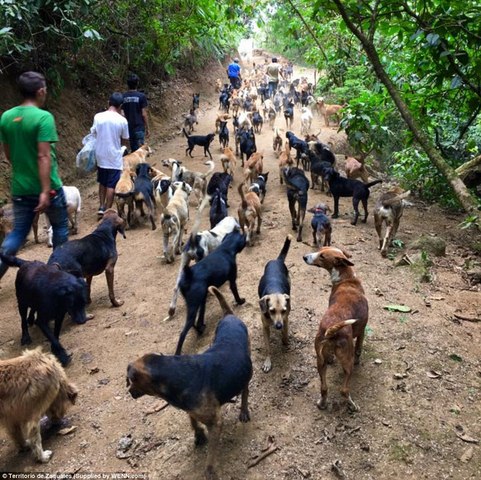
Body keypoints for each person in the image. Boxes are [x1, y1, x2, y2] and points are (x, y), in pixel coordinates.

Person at [0, 71, 69, 279]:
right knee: (60, 228)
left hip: (20, 188)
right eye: (45, 90)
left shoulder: (6, 117)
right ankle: (57, 276)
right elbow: (43, 156)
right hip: (49, 188)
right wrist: (45, 190)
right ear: (40, 92)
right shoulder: (43, 118)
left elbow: (9, 154)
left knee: (18, 234)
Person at [91, 92, 129, 216]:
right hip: (114, 156)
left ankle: (101, 207)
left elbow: (93, 134)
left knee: (102, 182)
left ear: (109, 103)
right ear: (121, 106)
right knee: (111, 184)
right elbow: (125, 140)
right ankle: (108, 209)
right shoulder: (122, 120)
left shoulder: (98, 117)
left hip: (100, 154)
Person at [122, 74, 149, 152]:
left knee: (133, 151)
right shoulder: (141, 96)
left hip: (128, 128)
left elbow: (122, 114)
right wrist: (147, 127)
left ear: (127, 84)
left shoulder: (123, 97)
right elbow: (144, 114)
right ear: (137, 83)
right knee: (141, 152)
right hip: (139, 127)